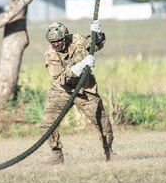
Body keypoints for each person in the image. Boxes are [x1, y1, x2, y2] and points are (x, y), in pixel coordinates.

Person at [41, 21, 114, 164]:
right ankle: (57, 155)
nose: (56, 44)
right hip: (63, 90)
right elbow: (62, 79)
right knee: (48, 122)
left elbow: (96, 45)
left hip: (85, 88)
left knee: (101, 121)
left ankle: (108, 152)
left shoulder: (77, 39)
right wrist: (81, 65)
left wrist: (97, 33)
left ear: (65, 37)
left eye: (59, 41)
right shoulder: (50, 55)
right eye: (52, 42)